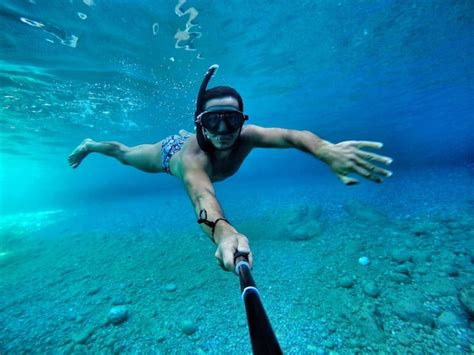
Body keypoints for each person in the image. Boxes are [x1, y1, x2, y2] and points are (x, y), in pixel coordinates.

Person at [68, 64, 393, 272]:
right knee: (125, 154)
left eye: (231, 120)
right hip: (170, 153)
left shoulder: (247, 137)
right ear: (202, 124)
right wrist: (224, 233)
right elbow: (202, 198)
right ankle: (91, 145)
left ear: (242, 121)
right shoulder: (191, 161)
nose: (223, 130)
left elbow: (293, 136)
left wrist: (325, 150)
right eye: (213, 121)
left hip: (191, 140)